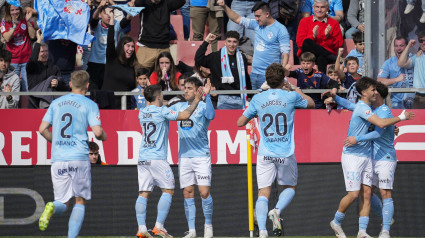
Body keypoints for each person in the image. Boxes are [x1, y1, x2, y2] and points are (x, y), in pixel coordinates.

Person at [327, 77, 414, 238]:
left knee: (375, 193)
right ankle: (339, 222)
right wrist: (335, 97)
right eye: (372, 90)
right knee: (360, 194)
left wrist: (393, 124)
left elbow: (380, 126)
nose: (374, 92)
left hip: (382, 157)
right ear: (365, 93)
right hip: (359, 155)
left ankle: (377, 230)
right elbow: (354, 107)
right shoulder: (367, 108)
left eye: (375, 90)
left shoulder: (381, 110)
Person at [237, 63, 315, 238]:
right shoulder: (290, 96)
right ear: (283, 80)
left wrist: (255, 113)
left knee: (263, 193)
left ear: (267, 80)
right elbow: (311, 103)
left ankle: (263, 231)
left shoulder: (258, 99)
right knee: (290, 187)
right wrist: (295, 88)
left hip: (265, 152)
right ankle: (277, 211)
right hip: (285, 152)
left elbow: (240, 122)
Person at [38, 70, 107, 238]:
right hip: (78, 158)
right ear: (87, 86)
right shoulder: (89, 104)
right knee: (79, 201)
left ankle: (52, 206)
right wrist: (104, 136)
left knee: (62, 202)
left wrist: (56, 142)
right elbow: (97, 133)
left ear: (70, 85)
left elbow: (42, 129)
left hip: (58, 158)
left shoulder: (56, 103)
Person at [135, 84, 204, 238]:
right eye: (161, 94)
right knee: (168, 189)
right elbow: (185, 115)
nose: (163, 96)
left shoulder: (142, 113)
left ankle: (141, 227)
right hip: (157, 158)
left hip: (143, 158)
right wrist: (197, 100)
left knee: (143, 192)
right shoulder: (162, 112)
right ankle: (158, 226)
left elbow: (151, 104)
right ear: (158, 96)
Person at [168, 77, 214, 238]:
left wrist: (206, 96)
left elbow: (212, 115)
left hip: (201, 155)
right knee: (188, 192)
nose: (185, 91)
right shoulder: (179, 106)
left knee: (204, 192)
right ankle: (192, 230)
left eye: (189, 88)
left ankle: (208, 225)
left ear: (197, 90)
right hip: (184, 157)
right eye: (184, 87)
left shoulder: (202, 106)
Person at [218, 0, 290, 90]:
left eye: (258, 16)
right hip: (254, 74)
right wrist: (225, 6)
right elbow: (237, 18)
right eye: (255, 16)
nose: (256, 19)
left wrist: (282, 72)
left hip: (269, 76)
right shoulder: (256, 24)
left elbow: (285, 52)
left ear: (267, 14)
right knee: (252, 101)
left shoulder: (280, 29)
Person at [195, 31, 252, 109]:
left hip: (241, 97)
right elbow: (198, 59)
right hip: (223, 98)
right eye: (229, 41)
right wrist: (206, 41)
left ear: (238, 43)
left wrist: (249, 95)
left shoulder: (242, 57)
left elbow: (246, 77)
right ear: (225, 42)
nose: (231, 45)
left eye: (234, 42)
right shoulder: (215, 57)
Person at [87, 4, 132, 90]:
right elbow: (93, 20)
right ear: (100, 15)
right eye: (106, 13)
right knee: (94, 90)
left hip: (110, 64)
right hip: (95, 63)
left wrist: (131, 10)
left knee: (109, 91)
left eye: (111, 13)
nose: (108, 16)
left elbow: (126, 20)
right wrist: (99, 7)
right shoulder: (97, 25)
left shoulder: (115, 24)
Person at [101, 9, 136, 109]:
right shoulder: (112, 59)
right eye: (128, 46)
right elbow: (110, 41)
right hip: (108, 105)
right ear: (121, 47)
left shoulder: (132, 65)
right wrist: (112, 20)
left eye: (132, 47)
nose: (130, 49)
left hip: (125, 106)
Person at [134, 0, 185, 69]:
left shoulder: (166, 3)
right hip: (146, 46)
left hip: (163, 47)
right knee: (139, 73)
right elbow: (137, 3)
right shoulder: (144, 3)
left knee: (167, 76)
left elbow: (181, 2)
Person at [296, 0, 343, 73]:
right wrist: (313, 36)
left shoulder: (334, 23)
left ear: (327, 9)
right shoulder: (304, 21)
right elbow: (300, 43)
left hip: (325, 56)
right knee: (307, 41)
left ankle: (322, 82)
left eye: (322, 7)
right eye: (317, 7)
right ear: (313, 8)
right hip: (308, 54)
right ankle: (333, 58)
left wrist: (328, 36)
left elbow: (338, 45)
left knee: (321, 58)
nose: (319, 10)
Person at [0, 1, 35, 92]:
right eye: (12, 10)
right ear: (8, 11)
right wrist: (14, 26)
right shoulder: (4, 22)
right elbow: (7, 38)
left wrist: (27, 22)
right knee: (12, 89)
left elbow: (32, 36)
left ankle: (27, 106)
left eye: (17, 9)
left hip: (26, 60)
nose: (15, 12)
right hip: (13, 61)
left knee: (27, 88)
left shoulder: (26, 19)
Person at [377, 36, 414, 109]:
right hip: (397, 104)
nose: (399, 48)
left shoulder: (414, 59)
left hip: (415, 102)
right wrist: (396, 79)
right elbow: (379, 81)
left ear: (406, 46)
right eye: (396, 46)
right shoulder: (388, 63)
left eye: (401, 46)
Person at [397, 30, 425, 109]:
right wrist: (408, 46)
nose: (423, 43)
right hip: (419, 97)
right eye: (421, 40)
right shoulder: (417, 57)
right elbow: (401, 63)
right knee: (419, 121)